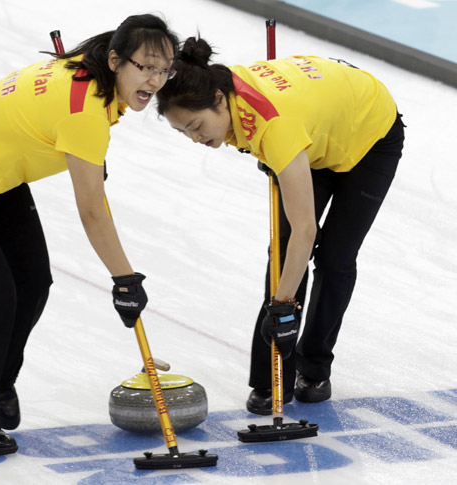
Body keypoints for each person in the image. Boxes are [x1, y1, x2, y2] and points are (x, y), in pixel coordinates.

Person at [0, 14, 179, 455]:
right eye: (145, 66)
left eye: (165, 69)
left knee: (32, 282)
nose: (155, 79)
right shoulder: (85, 109)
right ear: (114, 60)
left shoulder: (87, 74)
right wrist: (125, 279)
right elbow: (91, 209)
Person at [156, 37, 404, 415]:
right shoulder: (220, 86)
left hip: (369, 131)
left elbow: (307, 230)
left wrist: (283, 306)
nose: (194, 138)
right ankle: (271, 379)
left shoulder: (276, 128)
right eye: (183, 132)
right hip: (314, 128)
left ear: (220, 100)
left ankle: (315, 367)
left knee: (335, 257)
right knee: (284, 253)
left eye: (195, 126)